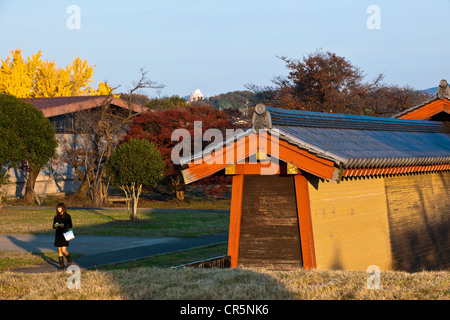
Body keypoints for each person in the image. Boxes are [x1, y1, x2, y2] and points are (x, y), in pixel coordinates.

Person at [53, 203, 73, 270]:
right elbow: (53, 226)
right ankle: (61, 266)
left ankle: (69, 259)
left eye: (59, 207)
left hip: (65, 234)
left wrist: (64, 225)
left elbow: (70, 225)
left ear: (63, 208)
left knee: (64, 250)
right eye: (57, 208)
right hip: (58, 234)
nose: (58, 209)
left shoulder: (67, 216)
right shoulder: (56, 216)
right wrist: (57, 225)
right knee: (59, 250)